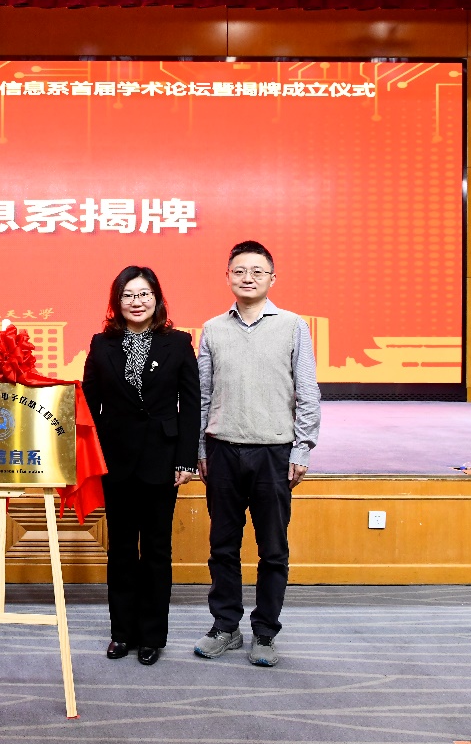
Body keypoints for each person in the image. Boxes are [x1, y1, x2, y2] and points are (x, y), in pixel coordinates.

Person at [193, 240, 321, 667]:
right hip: (222, 452)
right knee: (222, 547)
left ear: (272, 278)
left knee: (273, 550)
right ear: (228, 276)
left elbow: (307, 391)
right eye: (239, 271)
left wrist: (302, 448)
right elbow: (203, 395)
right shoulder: (213, 329)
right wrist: (199, 447)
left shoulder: (293, 326)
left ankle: (265, 632)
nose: (247, 278)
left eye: (257, 271)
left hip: (274, 453)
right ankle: (225, 626)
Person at [82, 266, 200, 667]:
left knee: (156, 550)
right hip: (115, 461)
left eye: (144, 294)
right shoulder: (101, 344)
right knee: (120, 549)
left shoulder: (178, 343)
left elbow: (191, 406)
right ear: (117, 302)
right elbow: (89, 406)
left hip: (162, 461)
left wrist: (186, 458)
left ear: (157, 299)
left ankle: (151, 636)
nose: (136, 302)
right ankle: (121, 633)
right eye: (128, 295)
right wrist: (90, 457)